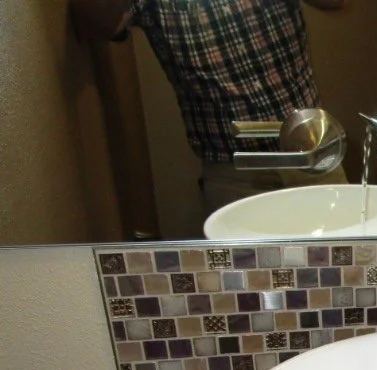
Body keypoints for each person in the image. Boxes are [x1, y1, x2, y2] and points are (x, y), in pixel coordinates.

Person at [71, 0, 349, 213]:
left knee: (339, 267)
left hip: (312, 148)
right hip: (232, 170)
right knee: (245, 280)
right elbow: (98, 22)